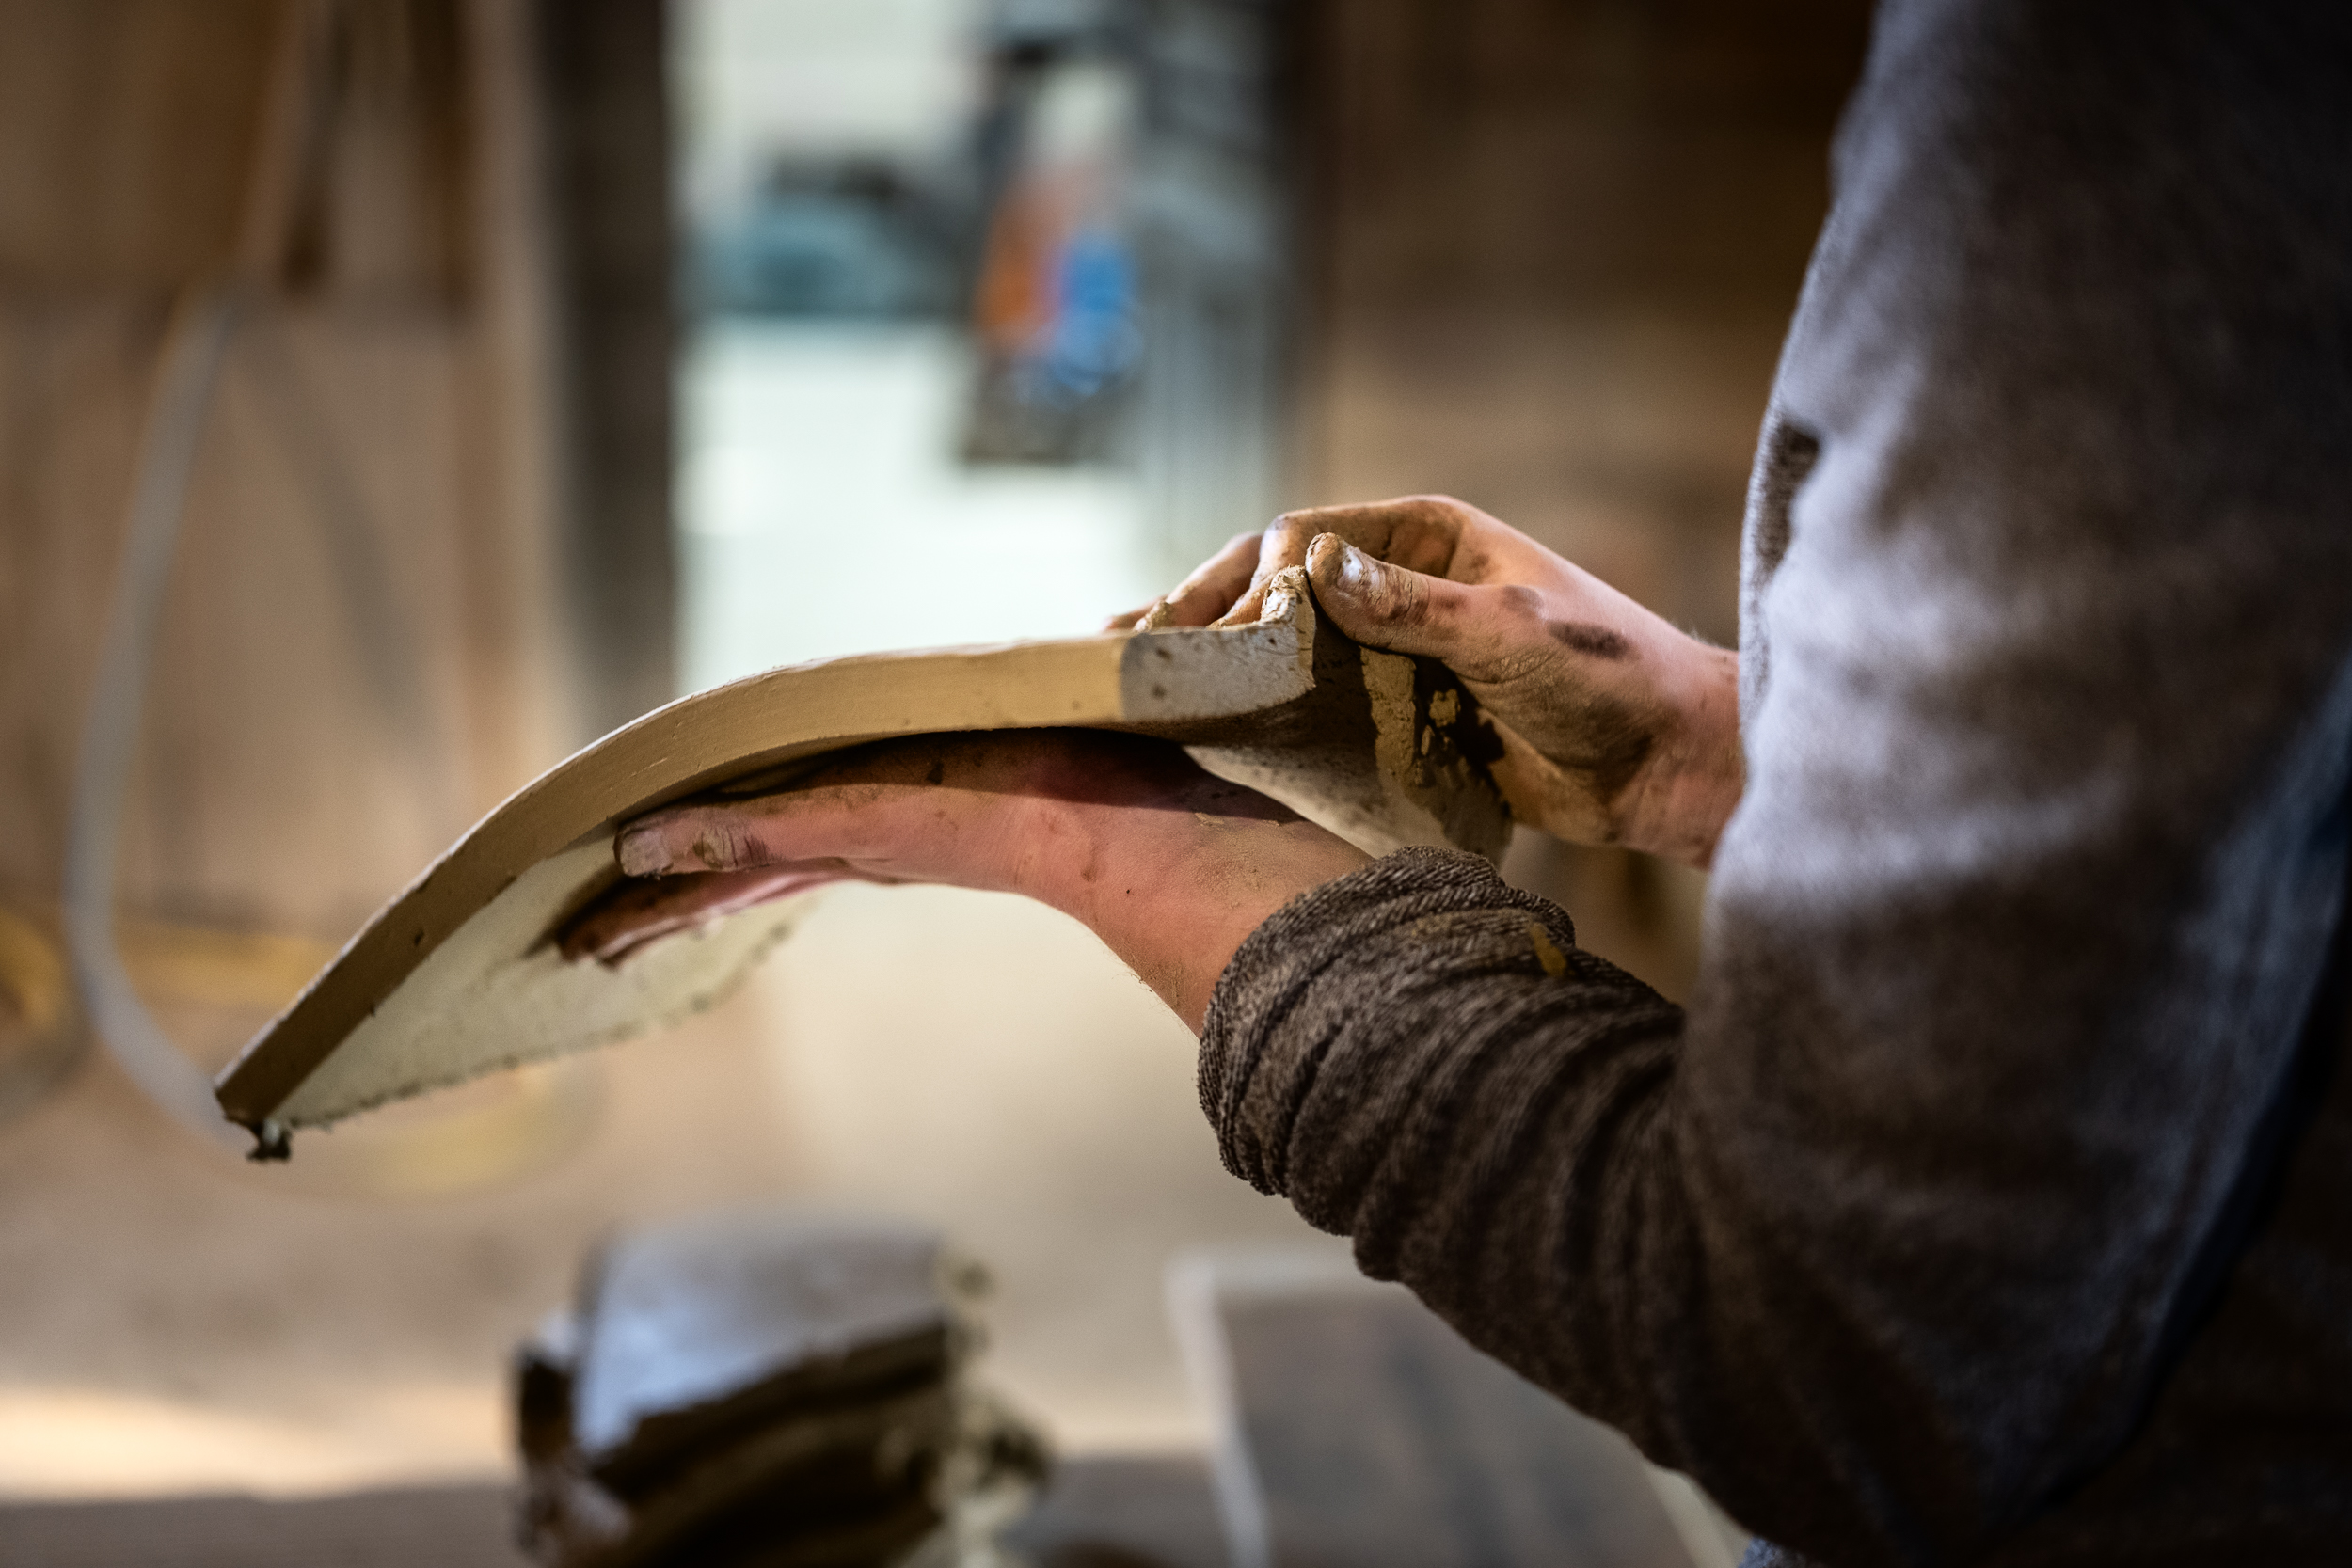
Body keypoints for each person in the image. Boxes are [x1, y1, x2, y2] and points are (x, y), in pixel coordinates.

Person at [580, 3, 2352, 1562]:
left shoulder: (2135, 85)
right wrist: (1714, 745)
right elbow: (2260, 823)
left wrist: (1099, 834)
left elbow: (1859, 1357)